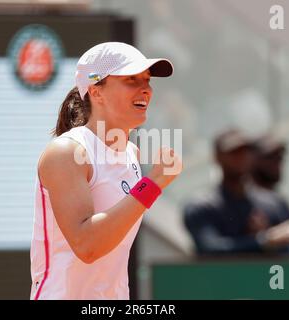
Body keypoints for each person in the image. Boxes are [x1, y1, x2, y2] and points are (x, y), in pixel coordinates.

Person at [30, 42, 182, 300]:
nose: (145, 89)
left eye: (146, 80)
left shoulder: (131, 154)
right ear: (96, 91)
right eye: (131, 80)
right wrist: (152, 184)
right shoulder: (66, 152)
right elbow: (87, 246)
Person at [183, 129, 289, 257]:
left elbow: (288, 258)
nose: (242, 157)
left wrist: (270, 242)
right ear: (218, 157)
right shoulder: (202, 206)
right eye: (234, 152)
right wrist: (264, 240)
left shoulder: (274, 204)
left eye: (247, 151)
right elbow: (210, 250)